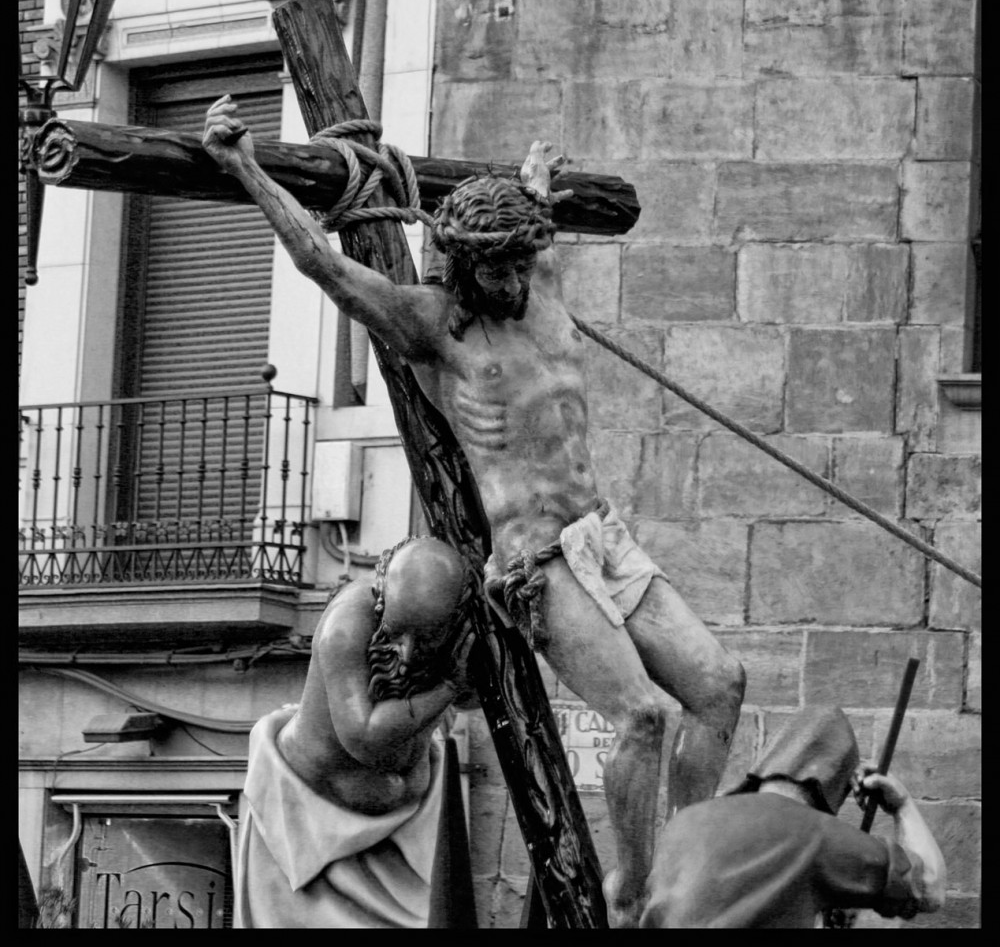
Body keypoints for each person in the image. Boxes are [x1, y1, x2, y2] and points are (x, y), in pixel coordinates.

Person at [205, 98, 746, 927]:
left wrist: (531, 185)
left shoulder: (540, 277)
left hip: (605, 537)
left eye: (524, 261)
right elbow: (324, 264)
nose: (516, 281)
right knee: (643, 717)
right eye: (498, 269)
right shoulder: (434, 326)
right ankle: (633, 897)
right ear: (463, 265)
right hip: (539, 563)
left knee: (718, 686)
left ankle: (681, 867)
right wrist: (244, 165)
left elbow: (531, 228)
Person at [235, 536, 478, 928]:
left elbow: (473, 700)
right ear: (382, 597)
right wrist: (448, 685)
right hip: (313, 831)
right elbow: (364, 737)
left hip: (402, 834)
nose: (408, 653)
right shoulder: (343, 629)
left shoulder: (453, 620)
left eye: (427, 637)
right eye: (397, 631)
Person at [639, 706, 947, 929]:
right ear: (834, 785)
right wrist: (902, 805)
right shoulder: (818, 835)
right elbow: (930, 888)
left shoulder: (683, 823)